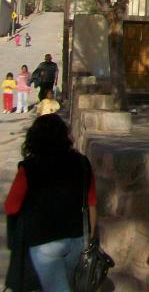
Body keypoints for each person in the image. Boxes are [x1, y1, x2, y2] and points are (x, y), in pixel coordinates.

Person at [4, 114, 97, 292]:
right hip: (77, 240)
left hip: (44, 243)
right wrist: (90, 240)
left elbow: (11, 206)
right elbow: (91, 203)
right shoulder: (82, 163)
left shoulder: (29, 168)